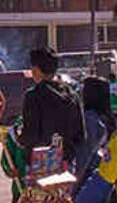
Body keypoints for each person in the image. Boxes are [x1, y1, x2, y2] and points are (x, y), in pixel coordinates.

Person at [19, 47, 85, 180]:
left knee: (38, 201)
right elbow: (80, 136)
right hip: (66, 164)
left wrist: (19, 138)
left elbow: (30, 135)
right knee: (62, 200)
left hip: (39, 166)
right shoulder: (72, 94)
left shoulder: (33, 96)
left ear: (36, 69)